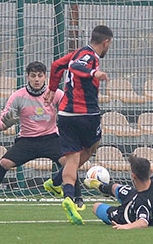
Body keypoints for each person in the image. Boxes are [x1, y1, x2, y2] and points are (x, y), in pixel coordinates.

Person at [0, 62, 71, 208]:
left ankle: (76, 199)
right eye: (33, 76)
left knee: (70, 163)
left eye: (40, 76)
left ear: (45, 77)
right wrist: (5, 124)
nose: (36, 79)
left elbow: (70, 108)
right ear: (27, 77)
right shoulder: (18, 96)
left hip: (51, 138)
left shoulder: (55, 94)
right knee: (4, 163)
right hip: (27, 141)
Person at [41, 24, 113, 224]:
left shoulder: (77, 53)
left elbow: (57, 65)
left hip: (65, 113)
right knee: (92, 146)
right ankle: (58, 181)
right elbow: (76, 67)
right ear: (106, 42)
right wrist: (93, 74)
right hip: (86, 113)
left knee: (72, 159)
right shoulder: (89, 56)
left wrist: (52, 89)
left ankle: (66, 195)